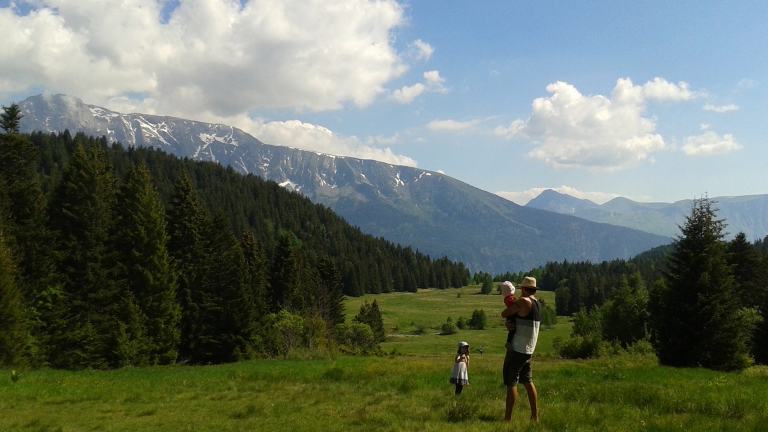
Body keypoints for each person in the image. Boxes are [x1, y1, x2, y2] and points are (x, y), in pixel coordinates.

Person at [501, 276, 541, 422]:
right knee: (527, 381)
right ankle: (534, 417)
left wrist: (507, 321)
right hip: (529, 349)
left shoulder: (524, 301)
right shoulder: (537, 303)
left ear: (523, 288)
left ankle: (507, 419)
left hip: (517, 348)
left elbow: (505, 313)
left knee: (511, 382)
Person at [501, 281, 517, 349]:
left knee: (511, 330)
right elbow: (516, 302)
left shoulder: (506, 298)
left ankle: (509, 342)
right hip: (512, 315)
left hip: (509, 315)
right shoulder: (510, 298)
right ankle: (509, 342)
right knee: (513, 329)